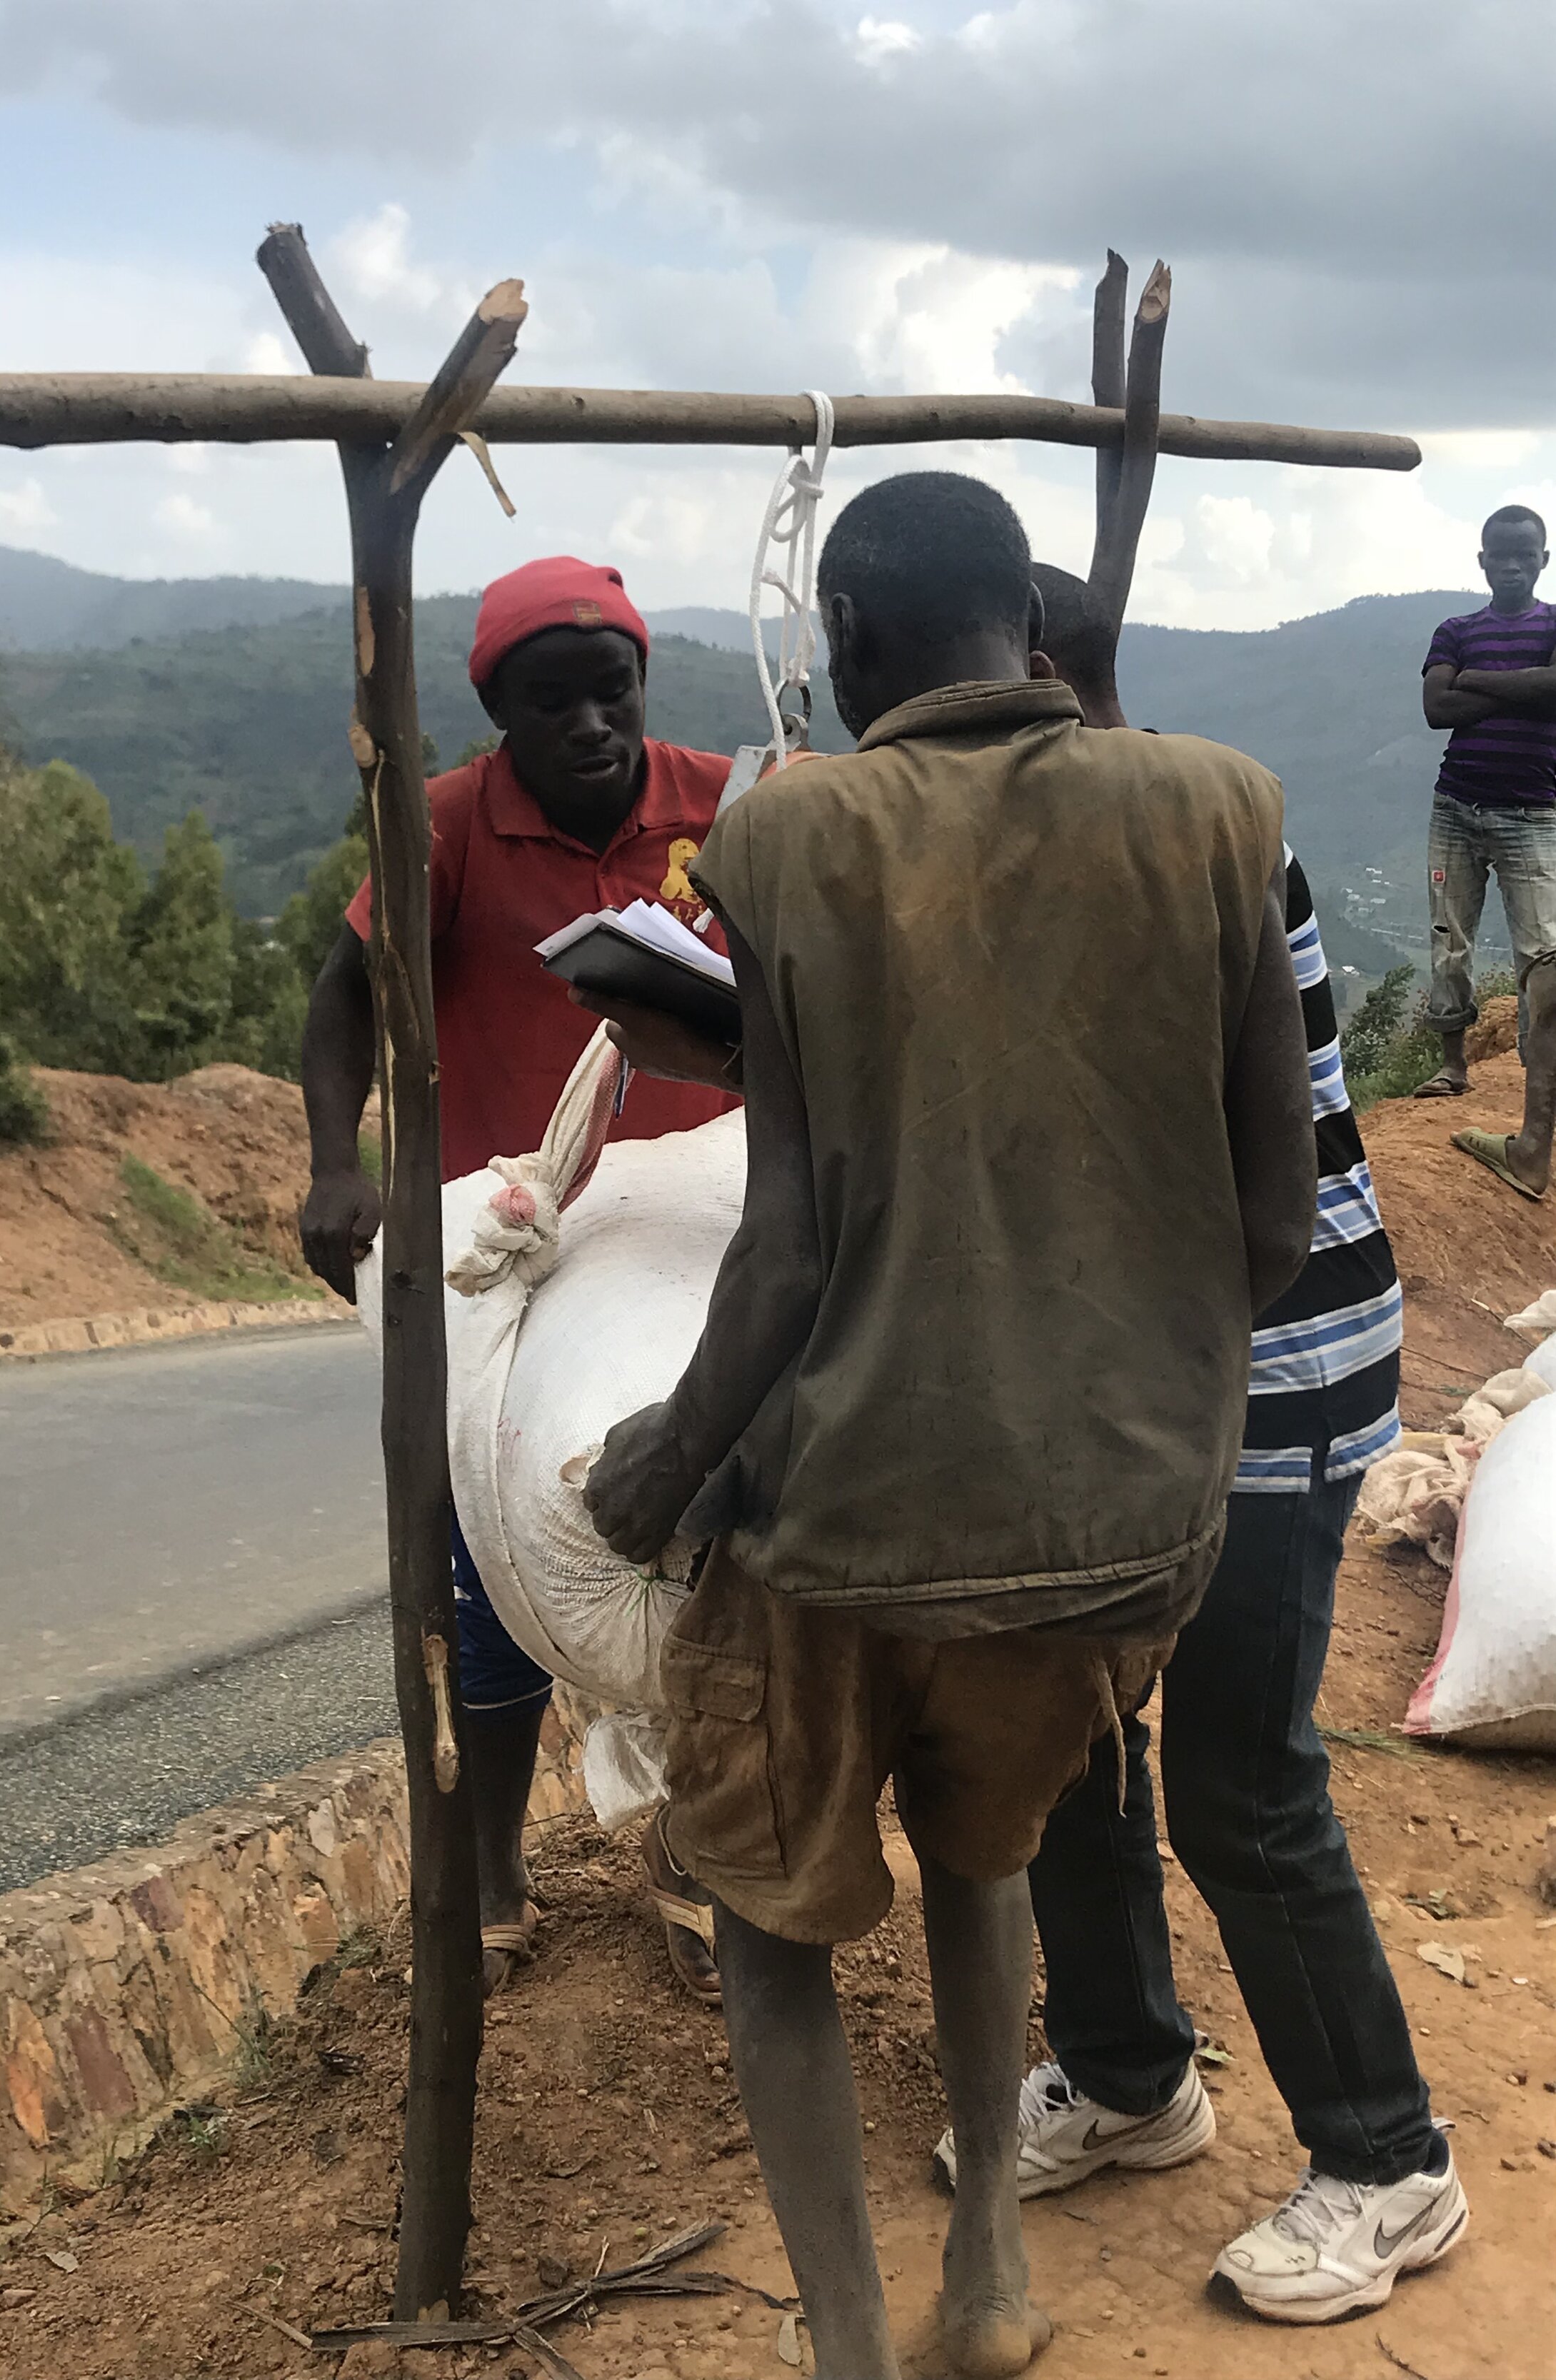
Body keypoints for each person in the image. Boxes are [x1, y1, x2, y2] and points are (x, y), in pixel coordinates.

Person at [582, 473, 1317, 2380]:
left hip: (851, 1530)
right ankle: (987, 2262)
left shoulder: (794, 827)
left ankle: (843, 2343)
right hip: (1118, 1527)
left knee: (766, 1917)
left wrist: (652, 1472)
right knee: (984, 1862)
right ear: (1037, 635)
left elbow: (791, 1244)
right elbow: (1267, 1219)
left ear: (845, 639)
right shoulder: (1220, 808)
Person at [925, 563, 1468, 2329]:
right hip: (1114, 1386)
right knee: (1071, 1732)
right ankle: (1131, 2074)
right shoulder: (1056, 850)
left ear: (1054, 690)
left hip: (1267, 1368)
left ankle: (1391, 2164)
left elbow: (1231, 1195)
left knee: (1241, 1778)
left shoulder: (1198, 848)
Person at [298, 554, 741, 2004]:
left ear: (640, 687)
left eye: (610, 691)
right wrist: (336, 1159)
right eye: (550, 704)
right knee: (480, 1571)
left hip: (687, 1241)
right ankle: (490, 1868)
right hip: (514, 1247)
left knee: (696, 1544)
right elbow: (345, 997)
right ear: (496, 710)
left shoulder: (724, 806)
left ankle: (688, 1841)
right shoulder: (444, 830)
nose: (591, 727)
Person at [1413, 506, 1556, 1204]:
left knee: (1542, 962)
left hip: (1534, 815)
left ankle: (1536, 1112)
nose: (1511, 564)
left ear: (1542, 559)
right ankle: (1451, 1067)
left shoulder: (1552, 625)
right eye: (1499, 554)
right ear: (1480, 560)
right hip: (1455, 809)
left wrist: (1474, 683)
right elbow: (1434, 709)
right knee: (1448, 940)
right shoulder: (1455, 629)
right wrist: (1523, 688)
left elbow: (1549, 690)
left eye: (1523, 554)